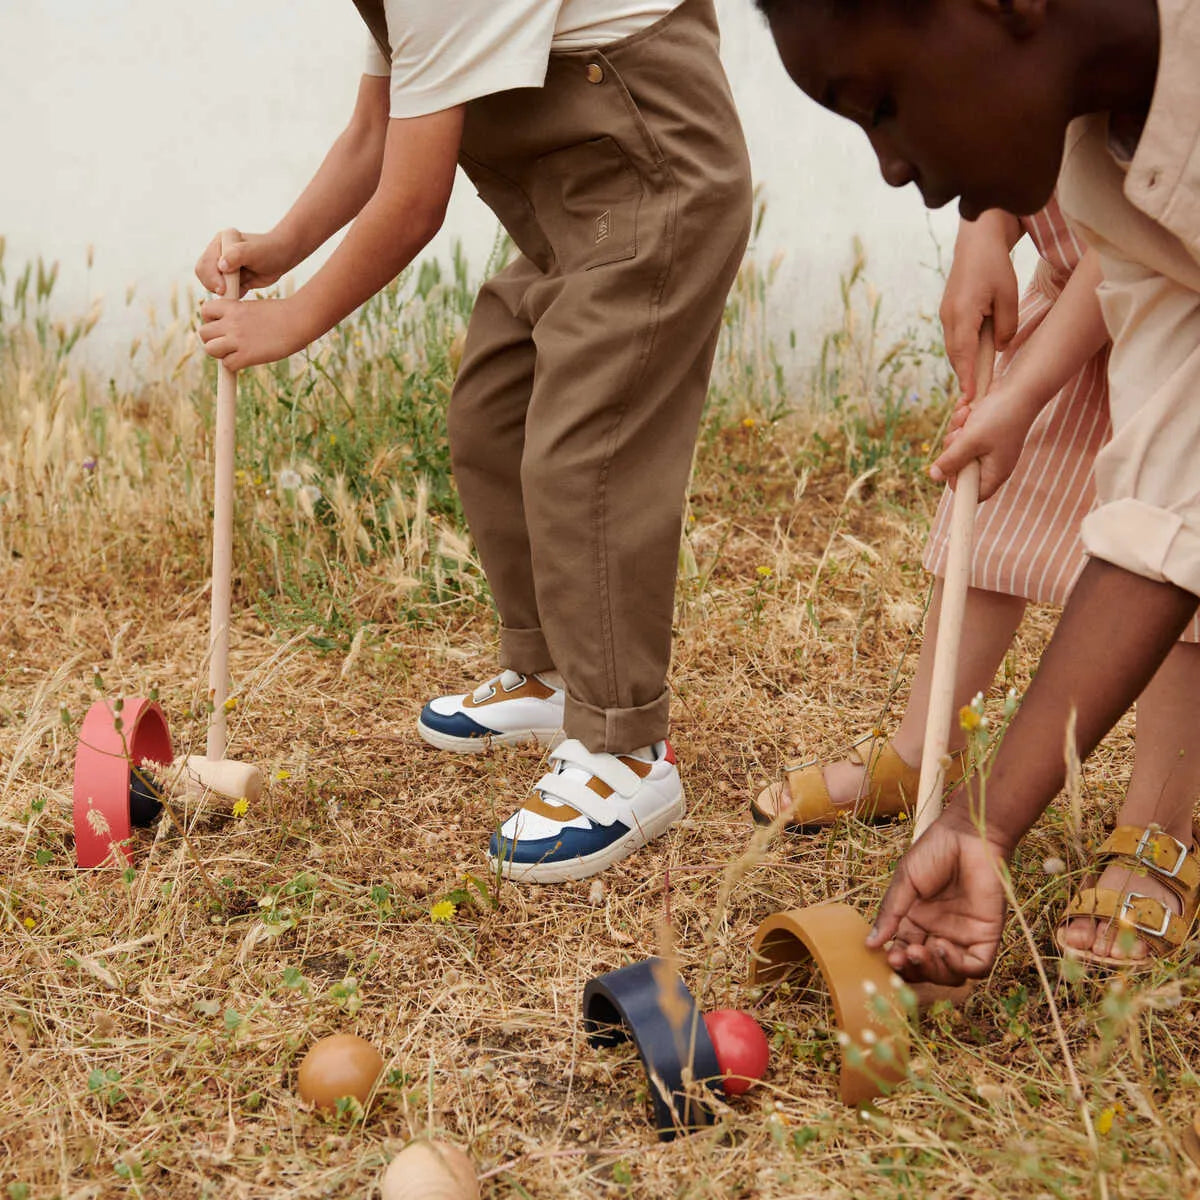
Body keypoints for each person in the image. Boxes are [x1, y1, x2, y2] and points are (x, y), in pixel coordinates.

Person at [195, 0, 752, 883]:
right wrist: (283, 246)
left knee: (584, 455)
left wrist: (293, 319)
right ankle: (551, 673)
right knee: (492, 414)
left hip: (653, 187)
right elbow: (373, 133)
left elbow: (415, 202)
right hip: (573, 214)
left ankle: (627, 750)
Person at [755, 0, 1200, 983]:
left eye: (882, 104)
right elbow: (1172, 515)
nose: (892, 166)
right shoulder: (1110, 182)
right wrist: (983, 824)